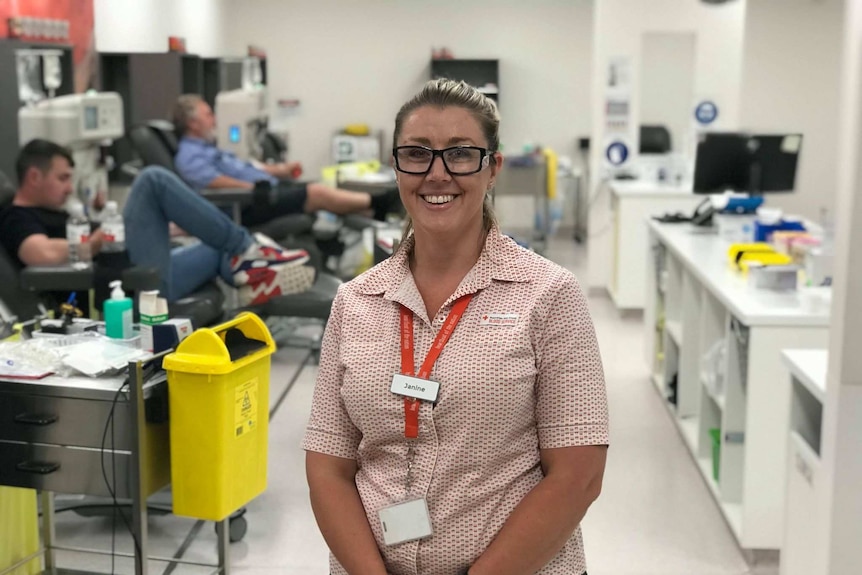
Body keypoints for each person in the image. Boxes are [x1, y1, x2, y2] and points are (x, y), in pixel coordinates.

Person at [302, 79, 609, 575]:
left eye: (462, 154)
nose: (437, 174)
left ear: (493, 169)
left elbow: (578, 475)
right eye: (417, 154)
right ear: (396, 167)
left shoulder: (548, 295)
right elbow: (328, 467)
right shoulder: (356, 300)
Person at [0, 139, 314, 306]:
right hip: (123, 290)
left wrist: (186, 223)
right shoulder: (17, 216)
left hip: (133, 269)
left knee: (218, 243)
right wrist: (101, 235)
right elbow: (38, 254)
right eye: (62, 178)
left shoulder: (64, 211)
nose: (69, 186)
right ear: (34, 176)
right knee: (152, 180)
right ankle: (250, 252)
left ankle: (255, 279)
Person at [172, 94, 398, 225]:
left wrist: (280, 170)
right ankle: (381, 202)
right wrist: (252, 187)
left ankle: (375, 212)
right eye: (208, 114)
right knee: (315, 193)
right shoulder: (188, 154)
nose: (214, 119)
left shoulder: (208, 147)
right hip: (245, 205)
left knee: (317, 187)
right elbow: (212, 183)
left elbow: (249, 166)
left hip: (261, 191)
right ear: (192, 123)